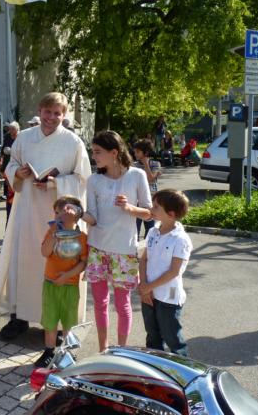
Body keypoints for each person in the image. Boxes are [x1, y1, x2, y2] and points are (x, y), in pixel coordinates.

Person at [0, 92, 91, 340]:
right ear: (40, 110)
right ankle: (19, 317)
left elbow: (82, 179)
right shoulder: (24, 137)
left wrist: (57, 182)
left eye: (57, 113)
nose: (51, 117)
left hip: (60, 215)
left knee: (60, 262)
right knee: (23, 261)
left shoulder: (73, 142)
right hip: (27, 210)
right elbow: (11, 164)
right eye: (48, 112)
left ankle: (59, 323)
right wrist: (18, 173)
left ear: (64, 115)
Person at [81, 130, 152, 352]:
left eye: (97, 152)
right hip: (97, 249)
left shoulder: (137, 175)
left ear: (114, 152)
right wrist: (77, 212)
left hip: (124, 250)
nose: (93, 156)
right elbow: (92, 218)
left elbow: (149, 213)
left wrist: (130, 208)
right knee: (100, 303)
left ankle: (121, 351)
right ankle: (103, 350)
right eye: (93, 152)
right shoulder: (93, 180)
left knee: (123, 304)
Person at [34, 196, 87, 368]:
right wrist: (53, 233)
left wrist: (67, 276)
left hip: (70, 286)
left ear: (74, 215)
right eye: (56, 213)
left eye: (62, 213)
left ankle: (67, 352)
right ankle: (49, 352)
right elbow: (44, 252)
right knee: (50, 320)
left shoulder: (82, 237)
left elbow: (83, 263)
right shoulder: (52, 233)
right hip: (50, 284)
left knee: (68, 321)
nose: (57, 216)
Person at [139, 189, 192, 357]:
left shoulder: (181, 239)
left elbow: (174, 271)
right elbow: (144, 260)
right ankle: (155, 368)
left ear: (170, 214)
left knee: (172, 338)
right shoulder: (153, 232)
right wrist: (144, 286)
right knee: (152, 336)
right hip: (149, 294)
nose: (151, 209)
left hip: (168, 298)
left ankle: (183, 368)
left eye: (156, 207)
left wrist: (148, 287)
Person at [133, 139, 161, 239]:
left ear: (146, 152)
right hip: (136, 201)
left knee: (150, 230)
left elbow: (150, 179)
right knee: (135, 229)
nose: (135, 154)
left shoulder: (156, 164)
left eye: (137, 151)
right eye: (134, 151)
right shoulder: (134, 165)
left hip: (151, 202)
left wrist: (145, 164)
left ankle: (148, 248)